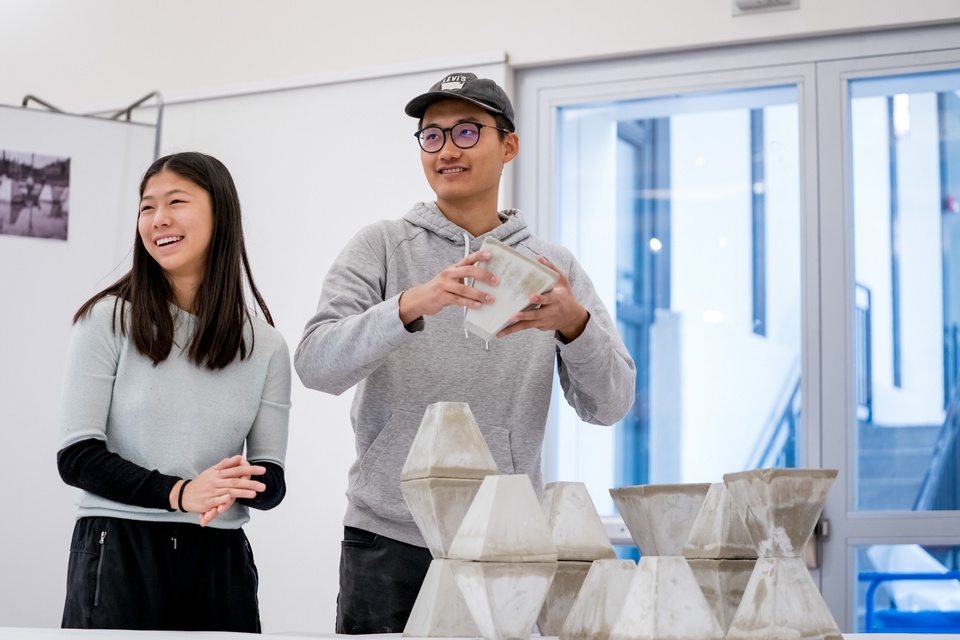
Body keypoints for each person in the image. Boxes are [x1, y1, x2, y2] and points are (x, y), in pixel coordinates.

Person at [294, 72, 636, 635]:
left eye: (467, 132)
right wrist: (411, 304)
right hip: (387, 540)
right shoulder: (380, 245)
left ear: (509, 145)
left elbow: (611, 404)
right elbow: (315, 364)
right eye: (432, 135)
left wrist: (576, 325)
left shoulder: (555, 268)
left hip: (506, 544)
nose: (447, 149)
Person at [57, 151, 291, 632]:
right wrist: (183, 492)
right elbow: (77, 457)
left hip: (220, 560)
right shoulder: (106, 320)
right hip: (118, 548)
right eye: (147, 207)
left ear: (220, 214)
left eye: (176, 201)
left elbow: (272, 481)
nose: (158, 219)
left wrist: (238, 483)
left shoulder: (266, 345)